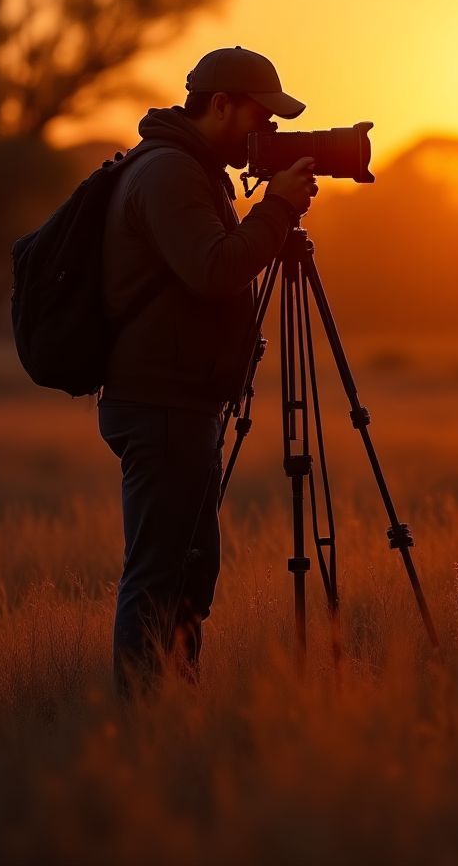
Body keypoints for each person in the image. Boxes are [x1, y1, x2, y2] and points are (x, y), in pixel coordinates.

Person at [98, 46, 317, 695]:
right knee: (161, 573)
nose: (267, 134)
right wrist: (276, 208)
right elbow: (217, 268)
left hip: (181, 401)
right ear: (219, 105)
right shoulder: (168, 174)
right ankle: (144, 725)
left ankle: (175, 709)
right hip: (161, 403)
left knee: (188, 571)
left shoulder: (188, 169)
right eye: (260, 118)